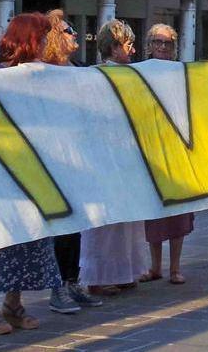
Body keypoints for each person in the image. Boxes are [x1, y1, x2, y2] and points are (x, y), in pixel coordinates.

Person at [0, 13, 63, 335]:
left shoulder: (44, 76)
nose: (44, 44)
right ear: (28, 39)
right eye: (40, 38)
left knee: (27, 239)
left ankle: (13, 303)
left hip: (34, 173)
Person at [80, 20, 148, 294]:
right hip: (103, 153)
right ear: (113, 46)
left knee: (127, 218)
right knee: (104, 221)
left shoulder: (132, 75)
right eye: (127, 44)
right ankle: (98, 278)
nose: (132, 50)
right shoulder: (94, 76)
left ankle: (124, 271)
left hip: (126, 151)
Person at [43, 10, 103, 314]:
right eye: (69, 31)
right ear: (55, 36)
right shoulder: (43, 73)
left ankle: (72, 282)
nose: (75, 36)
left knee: (77, 225)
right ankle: (56, 289)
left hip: (80, 158)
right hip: (56, 160)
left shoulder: (81, 70)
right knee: (60, 228)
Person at [141, 24, 196, 285]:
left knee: (179, 213)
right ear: (149, 45)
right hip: (151, 150)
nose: (163, 47)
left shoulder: (182, 73)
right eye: (158, 42)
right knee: (154, 212)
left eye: (168, 43)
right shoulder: (138, 73)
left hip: (178, 149)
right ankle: (155, 266)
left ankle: (175, 267)